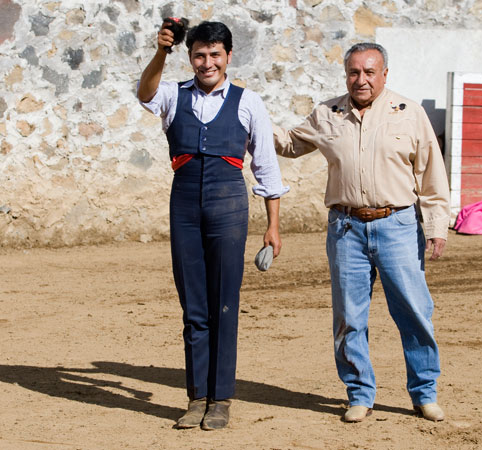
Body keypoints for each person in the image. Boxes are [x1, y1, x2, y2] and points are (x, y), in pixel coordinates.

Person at [272, 43, 449, 423]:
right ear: (346, 75)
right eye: (354, 72)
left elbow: (431, 174)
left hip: (398, 225)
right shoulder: (328, 113)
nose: (361, 79)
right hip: (345, 227)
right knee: (349, 316)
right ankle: (359, 393)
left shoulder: (410, 114)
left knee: (415, 313)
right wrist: (250, 118)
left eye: (370, 72)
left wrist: (436, 227)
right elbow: (288, 144)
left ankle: (424, 393)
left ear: (385, 73)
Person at [137, 21, 288, 430]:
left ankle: (220, 399)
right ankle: (196, 397)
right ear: (190, 57)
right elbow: (144, 92)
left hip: (228, 203)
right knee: (193, 306)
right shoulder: (173, 94)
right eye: (200, 55)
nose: (207, 62)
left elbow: (266, 166)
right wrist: (161, 51)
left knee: (224, 303)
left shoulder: (248, 101)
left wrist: (273, 225)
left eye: (215, 55)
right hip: (184, 202)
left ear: (228, 57)